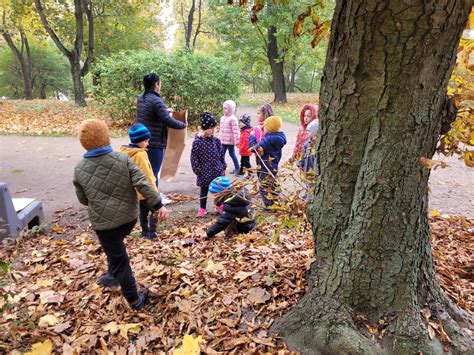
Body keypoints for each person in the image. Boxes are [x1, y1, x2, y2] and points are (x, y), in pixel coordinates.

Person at [73, 119, 169, 310]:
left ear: (83, 143)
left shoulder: (79, 169)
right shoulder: (123, 159)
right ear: (106, 137)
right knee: (115, 251)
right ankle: (112, 276)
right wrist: (159, 205)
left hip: (104, 224)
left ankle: (134, 300)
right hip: (128, 218)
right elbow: (143, 183)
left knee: (118, 256)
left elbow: (83, 200)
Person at [136, 73, 186, 185]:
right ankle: (154, 201)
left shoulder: (141, 98)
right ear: (156, 84)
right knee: (153, 173)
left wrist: (164, 110)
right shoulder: (156, 100)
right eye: (160, 83)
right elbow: (168, 120)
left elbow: (150, 113)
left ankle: (144, 199)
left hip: (141, 140)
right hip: (154, 141)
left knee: (144, 172)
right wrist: (183, 125)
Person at [119, 123, 159, 239]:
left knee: (143, 211)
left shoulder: (126, 152)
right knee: (156, 210)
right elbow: (146, 174)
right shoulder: (140, 154)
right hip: (146, 190)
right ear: (139, 140)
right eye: (146, 141)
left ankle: (144, 231)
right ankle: (152, 232)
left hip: (137, 191)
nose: (148, 143)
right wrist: (153, 190)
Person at [190, 112, 227, 217]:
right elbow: (194, 157)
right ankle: (202, 209)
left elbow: (221, 155)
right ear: (206, 128)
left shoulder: (216, 141)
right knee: (204, 191)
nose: (214, 130)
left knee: (218, 190)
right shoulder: (197, 142)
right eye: (212, 128)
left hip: (216, 170)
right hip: (204, 172)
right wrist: (197, 170)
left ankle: (219, 205)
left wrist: (223, 166)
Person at [249, 116, 287, 208]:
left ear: (270, 129)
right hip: (273, 166)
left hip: (265, 167)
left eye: (265, 126)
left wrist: (252, 137)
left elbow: (254, 148)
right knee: (272, 185)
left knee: (263, 188)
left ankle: (269, 206)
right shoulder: (279, 137)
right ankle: (275, 201)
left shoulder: (269, 140)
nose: (263, 128)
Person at [297, 120, 319, 199]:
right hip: (307, 167)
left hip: (313, 170)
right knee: (307, 181)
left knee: (312, 184)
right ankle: (307, 192)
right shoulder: (307, 143)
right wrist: (300, 163)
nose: (308, 133)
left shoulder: (317, 146)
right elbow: (303, 154)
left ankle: (310, 198)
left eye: (310, 132)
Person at [219, 100, 240, 174]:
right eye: (223, 108)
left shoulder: (233, 119)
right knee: (221, 154)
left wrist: (237, 141)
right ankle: (220, 169)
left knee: (232, 154)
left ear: (231, 109)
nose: (224, 110)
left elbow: (236, 131)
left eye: (226, 108)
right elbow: (221, 130)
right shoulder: (222, 118)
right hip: (223, 140)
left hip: (230, 141)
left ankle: (237, 168)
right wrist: (219, 138)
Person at [253, 103, 274, 167]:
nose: (256, 115)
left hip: (267, 156)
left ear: (265, 115)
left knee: (265, 173)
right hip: (257, 154)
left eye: (258, 113)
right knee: (259, 171)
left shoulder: (269, 128)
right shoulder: (256, 128)